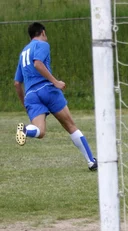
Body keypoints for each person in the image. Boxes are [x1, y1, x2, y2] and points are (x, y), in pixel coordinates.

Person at [14, 22, 97, 171]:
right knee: (70, 125)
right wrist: (55, 82)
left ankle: (25, 130)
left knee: (40, 131)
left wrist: (24, 104)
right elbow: (38, 63)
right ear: (43, 33)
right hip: (47, 89)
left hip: (31, 95)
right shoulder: (42, 44)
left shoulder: (23, 53)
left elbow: (16, 83)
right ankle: (91, 161)